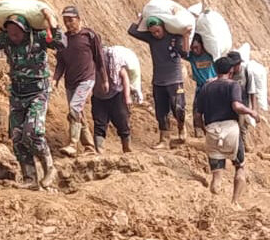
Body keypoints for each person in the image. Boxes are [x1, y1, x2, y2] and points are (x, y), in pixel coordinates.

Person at [0, 10, 61, 190]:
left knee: (32, 132)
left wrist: (51, 20)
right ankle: (30, 178)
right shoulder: (6, 39)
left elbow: (60, 42)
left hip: (38, 92)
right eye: (10, 32)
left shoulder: (38, 37)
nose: (13, 36)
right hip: (17, 94)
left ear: (25, 30)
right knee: (17, 136)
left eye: (17, 32)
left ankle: (50, 168)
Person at [195, 57, 259, 208]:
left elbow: (197, 115)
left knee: (217, 174)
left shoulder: (205, 88)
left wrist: (205, 130)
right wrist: (252, 112)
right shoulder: (233, 85)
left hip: (212, 131)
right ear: (231, 71)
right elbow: (236, 106)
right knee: (240, 167)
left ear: (215, 70)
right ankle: (234, 203)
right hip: (231, 131)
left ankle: (215, 203)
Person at [53, 6, 107, 157]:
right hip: (70, 82)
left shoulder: (89, 35)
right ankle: (89, 147)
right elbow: (61, 63)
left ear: (78, 19)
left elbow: (99, 58)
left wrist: (104, 80)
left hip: (86, 79)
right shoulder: (63, 39)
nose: (68, 23)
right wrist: (55, 79)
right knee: (78, 113)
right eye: (65, 21)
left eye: (71, 20)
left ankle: (72, 144)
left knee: (74, 108)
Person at [128, 15, 188, 148]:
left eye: (157, 31)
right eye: (153, 32)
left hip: (175, 79)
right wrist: (141, 18)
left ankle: (181, 128)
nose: (156, 34)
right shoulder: (151, 39)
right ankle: (164, 140)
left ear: (163, 27)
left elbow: (185, 54)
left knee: (178, 108)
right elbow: (132, 31)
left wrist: (186, 36)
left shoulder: (174, 37)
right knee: (161, 112)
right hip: (158, 81)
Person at [91, 46, 132, 154]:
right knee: (99, 123)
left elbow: (125, 77)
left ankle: (127, 148)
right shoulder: (89, 61)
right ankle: (99, 151)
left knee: (122, 121)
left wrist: (127, 97)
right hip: (98, 97)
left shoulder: (112, 59)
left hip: (116, 95)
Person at [181, 34, 217, 137]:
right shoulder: (192, 57)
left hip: (213, 87)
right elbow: (182, 53)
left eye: (197, 47)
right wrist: (186, 37)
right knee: (197, 112)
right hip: (200, 88)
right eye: (192, 48)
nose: (195, 50)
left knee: (212, 111)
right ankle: (199, 132)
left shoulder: (211, 55)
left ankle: (211, 133)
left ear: (202, 45)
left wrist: (214, 79)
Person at [226, 51, 258, 150]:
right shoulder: (227, 73)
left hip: (242, 103)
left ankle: (242, 146)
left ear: (239, 63)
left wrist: (253, 109)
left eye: (234, 65)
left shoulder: (246, 73)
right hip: (229, 103)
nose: (232, 68)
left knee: (242, 126)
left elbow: (252, 91)